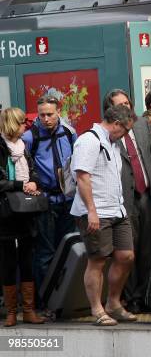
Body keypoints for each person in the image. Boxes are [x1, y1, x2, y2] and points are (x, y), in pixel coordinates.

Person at [70, 104, 137, 326]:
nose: (127, 134)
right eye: (126, 130)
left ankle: (113, 303)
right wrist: (91, 211)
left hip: (116, 209)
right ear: (116, 124)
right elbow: (82, 177)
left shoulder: (113, 143)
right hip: (96, 211)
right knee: (97, 260)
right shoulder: (89, 141)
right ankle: (97, 309)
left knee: (126, 256)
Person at [103, 89, 151, 314]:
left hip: (146, 194)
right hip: (124, 198)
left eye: (127, 103)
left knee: (145, 249)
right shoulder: (109, 132)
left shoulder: (141, 124)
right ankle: (131, 298)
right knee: (126, 251)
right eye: (120, 105)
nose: (126, 108)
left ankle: (146, 296)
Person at [22, 96, 77, 310]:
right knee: (45, 252)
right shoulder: (29, 137)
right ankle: (47, 302)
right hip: (44, 200)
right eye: (42, 114)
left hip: (68, 199)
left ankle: (66, 298)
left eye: (50, 114)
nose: (45, 119)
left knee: (70, 248)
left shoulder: (69, 133)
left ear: (58, 112)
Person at [0, 107, 45, 327]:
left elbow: (33, 169)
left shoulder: (24, 146)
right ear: (11, 124)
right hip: (7, 212)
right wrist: (22, 185)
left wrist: (34, 181)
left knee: (28, 259)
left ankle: (28, 310)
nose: (25, 126)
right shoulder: (1, 147)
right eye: (21, 123)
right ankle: (11, 311)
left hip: (26, 211)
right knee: (8, 261)